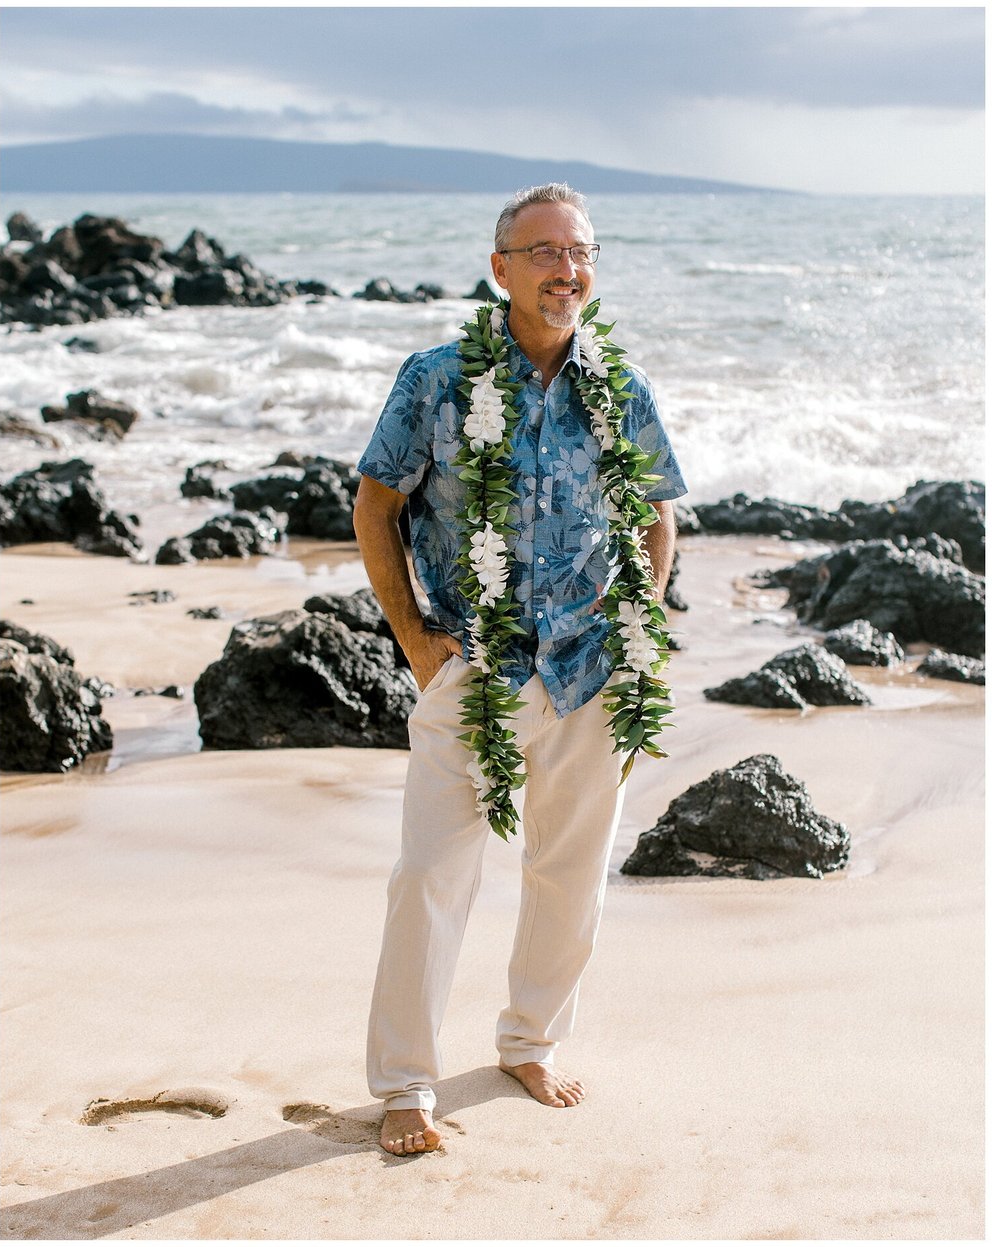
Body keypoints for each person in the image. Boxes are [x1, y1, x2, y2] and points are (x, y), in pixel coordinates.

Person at [353, 183, 687, 1156]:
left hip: (590, 667)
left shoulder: (619, 386)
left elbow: (656, 508)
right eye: (541, 250)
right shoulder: (435, 379)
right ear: (499, 268)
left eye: (577, 250)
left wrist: (641, 626)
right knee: (430, 874)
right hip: (475, 662)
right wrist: (415, 639)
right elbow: (374, 504)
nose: (564, 267)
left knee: (570, 873)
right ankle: (407, 1081)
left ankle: (528, 1040)